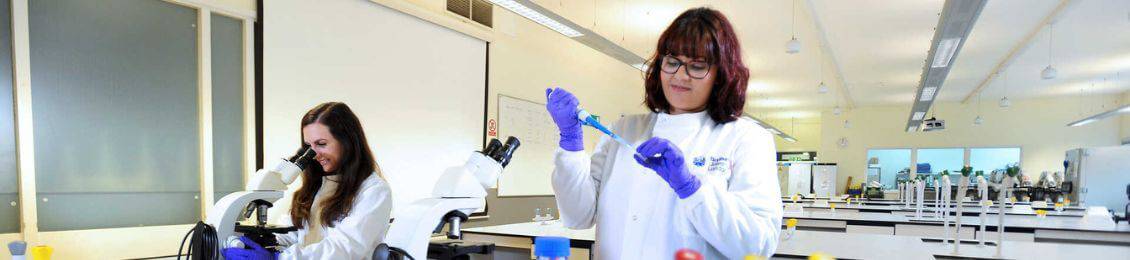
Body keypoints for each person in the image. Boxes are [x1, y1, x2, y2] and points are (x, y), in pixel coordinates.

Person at [546, 7, 782, 259]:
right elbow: (577, 217)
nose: (680, 75)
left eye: (697, 66)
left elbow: (759, 243)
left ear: (721, 74)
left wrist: (692, 188)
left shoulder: (746, 139)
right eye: (672, 62)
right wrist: (571, 143)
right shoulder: (624, 129)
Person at [222, 102, 393, 260]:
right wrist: (260, 244)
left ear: (347, 141)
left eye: (321, 143)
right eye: (309, 147)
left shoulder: (373, 191)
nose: (315, 154)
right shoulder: (316, 187)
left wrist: (279, 258)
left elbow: (345, 248)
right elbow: (292, 234)